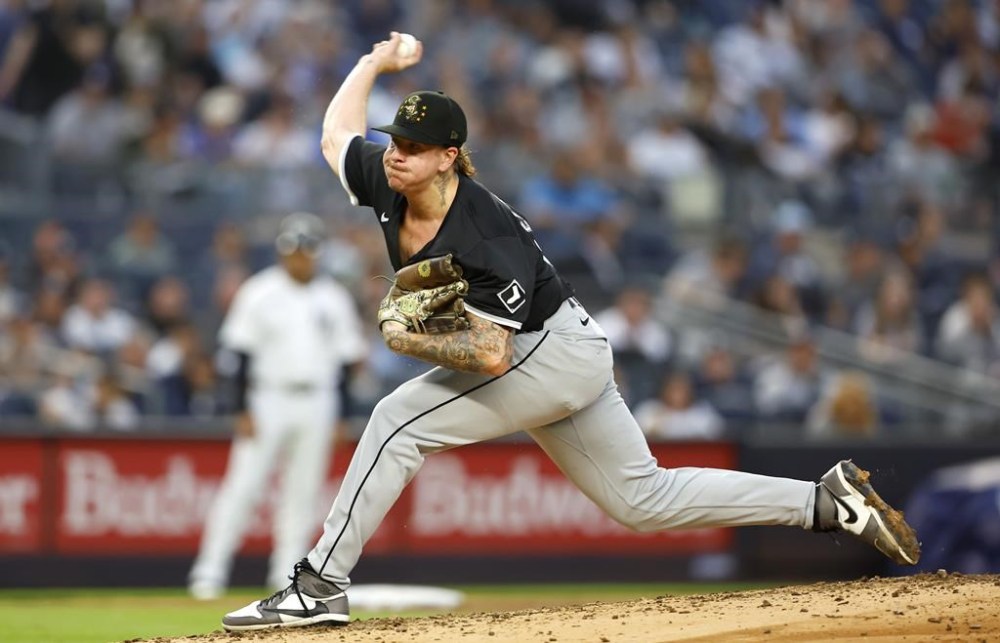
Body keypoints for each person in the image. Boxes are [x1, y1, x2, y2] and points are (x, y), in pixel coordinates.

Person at [221, 33, 920, 631]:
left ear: (448, 155)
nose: (396, 152)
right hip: (556, 350)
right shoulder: (386, 177)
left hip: (545, 351)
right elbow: (334, 132)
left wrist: (410, 337)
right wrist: (376, 61)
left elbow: (491, 354)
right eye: (395, 139)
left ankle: (319, 585)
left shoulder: (485, 231)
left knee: (397, 418)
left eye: (414, 144)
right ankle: (825, 502)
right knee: (642, 499)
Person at [188, 212, 368, 600]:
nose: (300, 258)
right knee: (243, 487)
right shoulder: (259, 291)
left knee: (302, 495)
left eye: (307, 251)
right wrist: (240, 409)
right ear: (282, 252)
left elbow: (345, 364)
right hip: (266, 398)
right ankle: (210, 572)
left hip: (318, 400)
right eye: (294, 251)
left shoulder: (332, 296)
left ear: (317, 254)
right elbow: (236, 355)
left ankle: (284, 577)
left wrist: (342, 415)